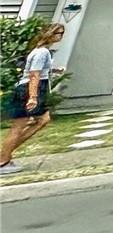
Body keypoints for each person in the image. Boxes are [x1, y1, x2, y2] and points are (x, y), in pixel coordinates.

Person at [1, 23, 65, 175]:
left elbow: (37, 71)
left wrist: (55, 70)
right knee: (18, 127)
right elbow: (33, 74)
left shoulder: (43, 51)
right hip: (28, 89)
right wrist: (33, 97)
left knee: (43, 120)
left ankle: (5, 156)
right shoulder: (41, 52)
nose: (60, 36)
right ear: (49, 34)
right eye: (58, 33)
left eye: (61, 33)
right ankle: (3, 161)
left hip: (32, 88)